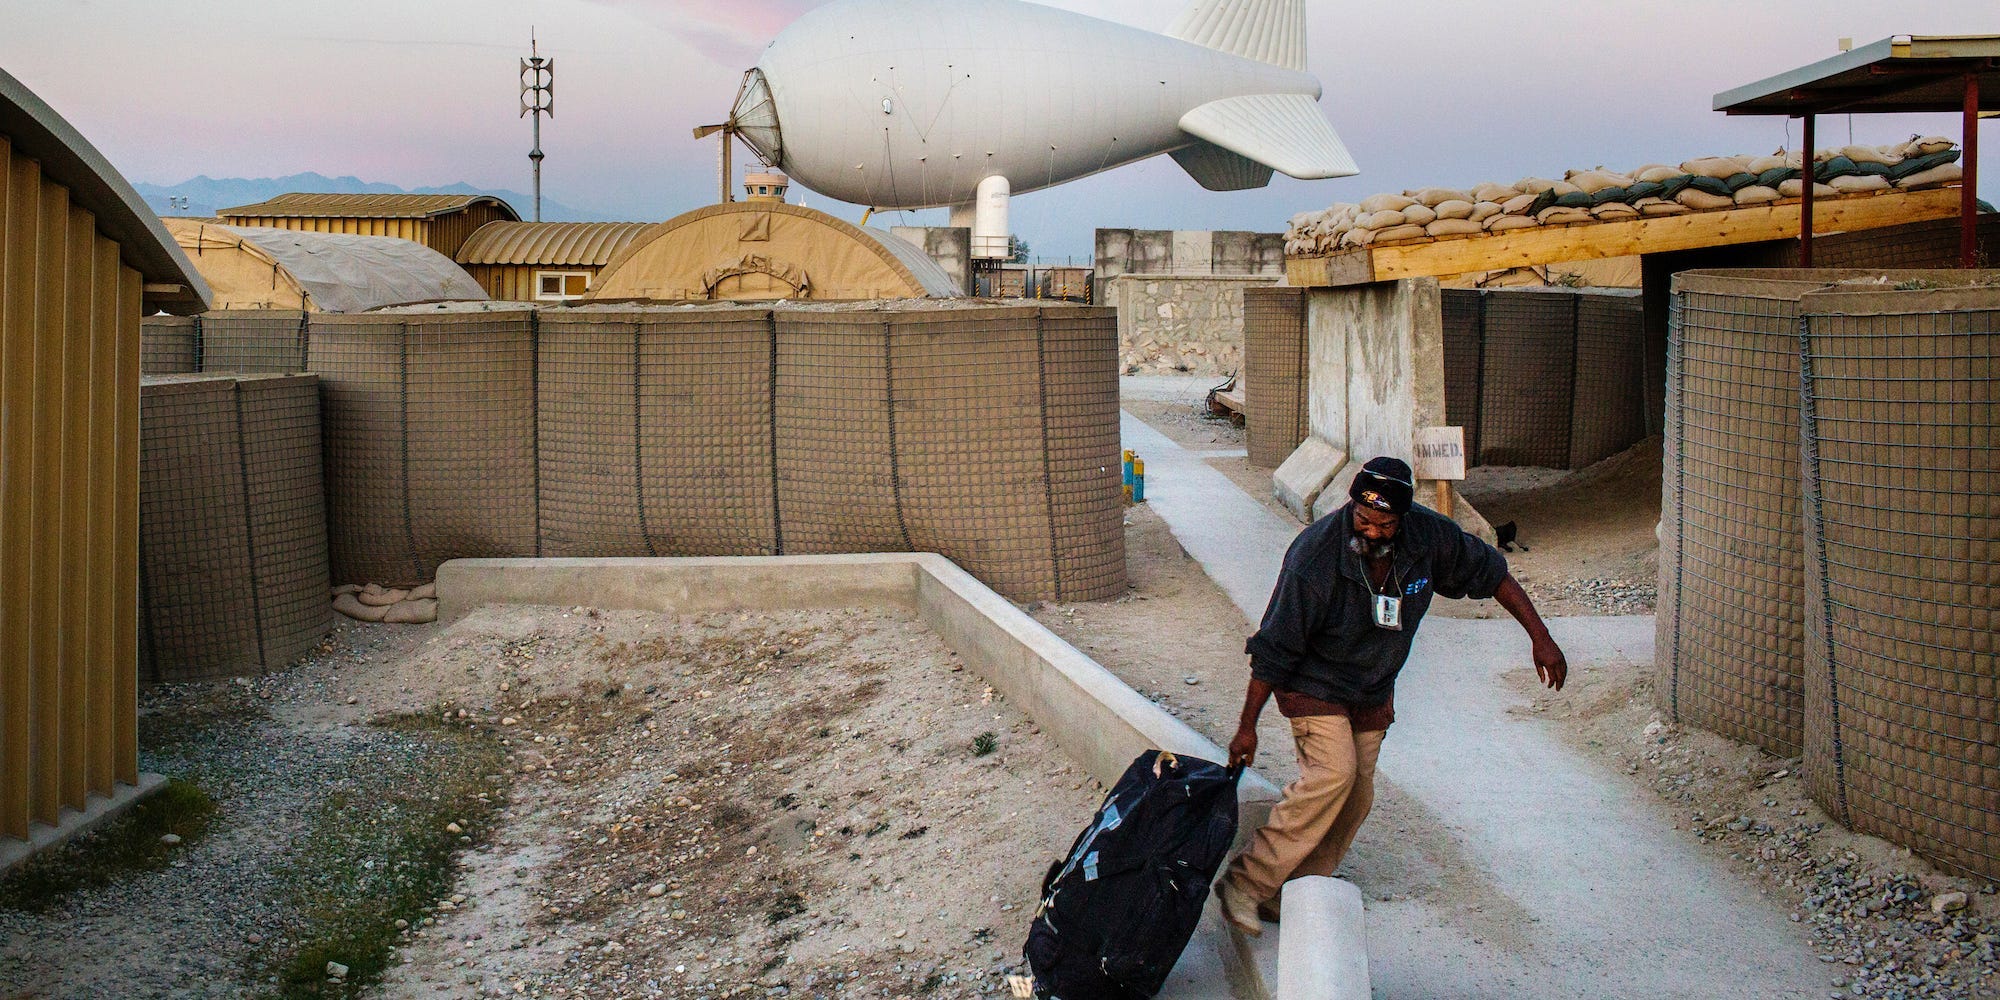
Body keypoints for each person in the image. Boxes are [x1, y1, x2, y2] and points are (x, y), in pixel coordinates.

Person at [1212, 456, 1567, 936]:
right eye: (1363, 520)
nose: (1373, 532)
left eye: (1385, 524)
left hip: (1372, 685)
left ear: (1403, 518)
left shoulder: (1429, 537)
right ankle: (1245, 884)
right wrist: (1246, 726)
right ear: (1351, 504)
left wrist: (1540, 637)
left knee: (1357, 795)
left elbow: (1492, 573)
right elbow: (1273, 648)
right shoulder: (1313, 557)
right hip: (1310, 680)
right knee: (1332, 774)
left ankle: (1297, 889)